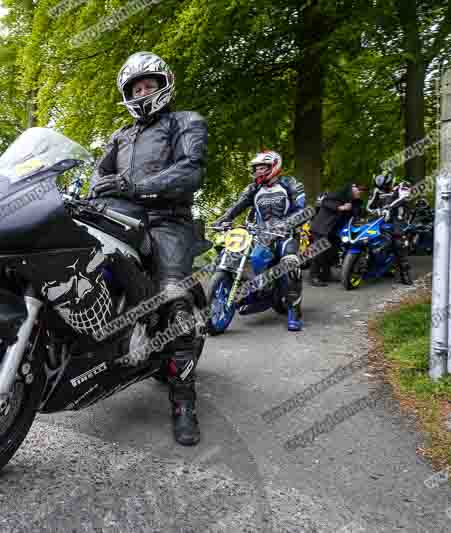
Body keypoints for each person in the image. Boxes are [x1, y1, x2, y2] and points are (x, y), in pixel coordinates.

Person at [87, 51, 209, 446]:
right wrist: (88, 193)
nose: (141, 92)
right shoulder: (120, 136)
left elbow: (191, 169)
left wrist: (135, 187)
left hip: (167, 220)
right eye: (135, 88)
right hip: (119, 220)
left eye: (148, 85)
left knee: (174, 300)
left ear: (163, 85)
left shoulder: (186, 121)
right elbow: (97, 176)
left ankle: (183, 402)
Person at [214, 151, 306, 331]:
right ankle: (253, 291)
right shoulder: (253, 188)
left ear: (274, 167)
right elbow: (236, 207)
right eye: (256, 169)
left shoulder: (291, 184)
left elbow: (303, 211)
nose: (258, 172)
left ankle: (294, 313)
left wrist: (286, 224)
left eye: (262, 168)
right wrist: (222, 220)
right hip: (261, 235)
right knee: (238, 255)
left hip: (285, 235)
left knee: (290, 263)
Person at [309, 183, 363, 286]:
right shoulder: (335, 196)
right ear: (350, 190)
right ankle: (314, 276)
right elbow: (325, 202)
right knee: (319, 253)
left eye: (360, 191)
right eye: (357, 190)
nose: (359, 192)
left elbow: (357, 214)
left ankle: (326, 274)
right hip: (322, 228)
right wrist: (340, 207)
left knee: (331, 254)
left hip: (335, 232)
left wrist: (355, 206)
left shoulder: (354, 202)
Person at [366, 172, 413, 285]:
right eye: (381, 187)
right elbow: (369, 206)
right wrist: (375, 211)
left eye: (385, 186)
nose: (383, 189)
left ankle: (404, 274)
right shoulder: (376, 190)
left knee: (398, 243)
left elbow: (404, 198)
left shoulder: (402, 186)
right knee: (368, 237)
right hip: (380, 219)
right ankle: (365, 262)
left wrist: (389, 208)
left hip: (397, 219)